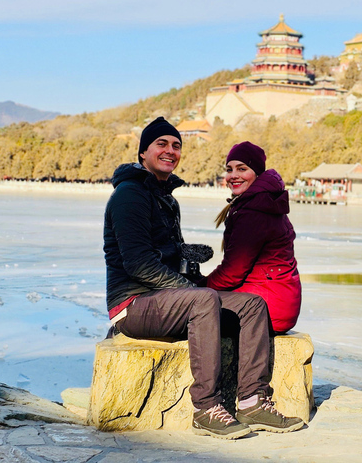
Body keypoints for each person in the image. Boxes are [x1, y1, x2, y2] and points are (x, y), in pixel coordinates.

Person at [103, 118, 303, 440]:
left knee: (252, 305)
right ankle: (206, 408)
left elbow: (166, 255)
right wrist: (191, 288)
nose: (170, 151)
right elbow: (139, 264)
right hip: (134, 303)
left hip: (167, 300)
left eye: (176, 145)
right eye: (161, 144)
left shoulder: (166, 199)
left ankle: (253, 400)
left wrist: (187, 258)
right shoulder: (130, 195)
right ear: (143, 152)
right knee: (203, 298)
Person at [203, 141, 302, 334]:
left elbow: (232, 272)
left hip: (266, 307)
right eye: (229, 169)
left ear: (256, 173)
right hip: (280, 301)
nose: (233, 176)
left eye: (242, 168)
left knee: (191, 311)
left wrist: (199, 287)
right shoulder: (262, 201)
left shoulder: (254, 211)